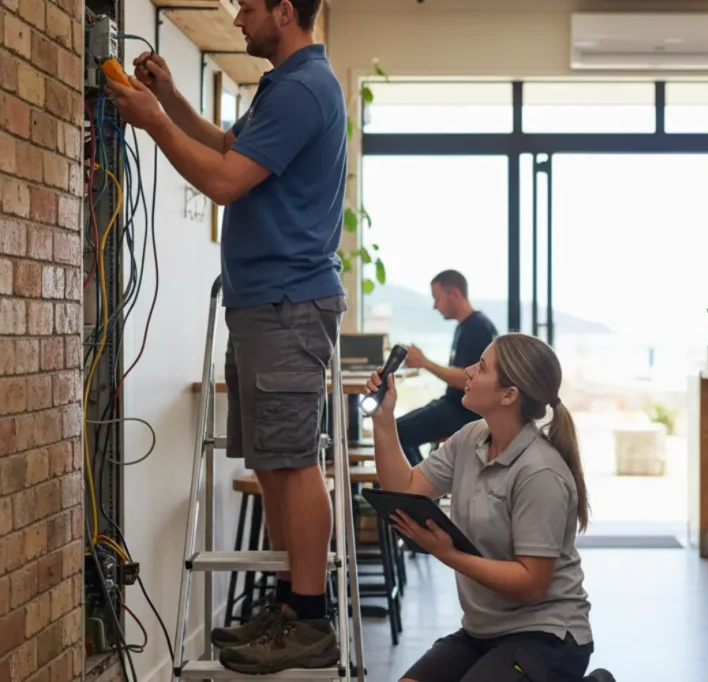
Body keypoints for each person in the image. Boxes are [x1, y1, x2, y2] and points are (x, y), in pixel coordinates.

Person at [106, 0, 346, 673]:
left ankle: (311, 618)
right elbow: (227, 148)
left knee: (292, 460)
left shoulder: (302, 89)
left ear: (284, 11)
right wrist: (170, 99)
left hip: (286, 302)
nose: (239, 19)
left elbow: (222, 181)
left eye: (249, 7)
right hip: (263, 302)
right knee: (272, 460)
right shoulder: (284, 86)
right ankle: (289, 607)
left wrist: (154, 123)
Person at [365, 333, 614, 682]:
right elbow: (404, 488)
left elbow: (531, 584)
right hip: (481, 632)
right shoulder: (471, 438)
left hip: (547, 636)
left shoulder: (540, 472)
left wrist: (448, 554)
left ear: (509, 395)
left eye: (481, 367)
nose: (468, 371)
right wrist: (383, 418)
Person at [397, 270, 498, 466]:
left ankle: (419, 484)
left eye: (437, 299)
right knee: (395, 430)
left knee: (397, 433)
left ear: (455, 294)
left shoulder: (477, 328)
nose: (435, 306)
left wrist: (425, 362)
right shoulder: (465, 326)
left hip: (465, 411)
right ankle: (420, 481)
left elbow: (465, 379)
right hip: (453, 404)